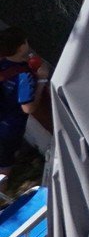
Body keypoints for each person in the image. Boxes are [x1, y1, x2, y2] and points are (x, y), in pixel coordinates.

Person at [0, 29, 40, 179]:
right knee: (3, 170)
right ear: (22, 47)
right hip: (9, 129)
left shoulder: (3, 65)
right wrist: (42, 80)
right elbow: (28, 108)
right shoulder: (24, 76)